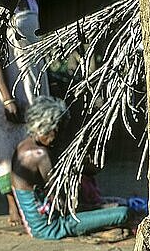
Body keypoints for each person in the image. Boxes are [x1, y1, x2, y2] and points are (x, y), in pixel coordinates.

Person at [11, 95, 133, 240]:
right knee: (123, 212)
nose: (61, 136)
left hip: (46, 220)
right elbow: (63, 203)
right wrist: (99, 208)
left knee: (116, 205)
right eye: (60, 130)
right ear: (52, 129)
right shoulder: (40, 155)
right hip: (52, 227)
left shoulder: (24, 146)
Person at [0, 0, 50, 226]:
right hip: (8, 92)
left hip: (32, 86)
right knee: (4, 149)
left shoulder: (33, 0)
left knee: (32, 143)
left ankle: (33, 201)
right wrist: (7, 98)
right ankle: (12, 204)